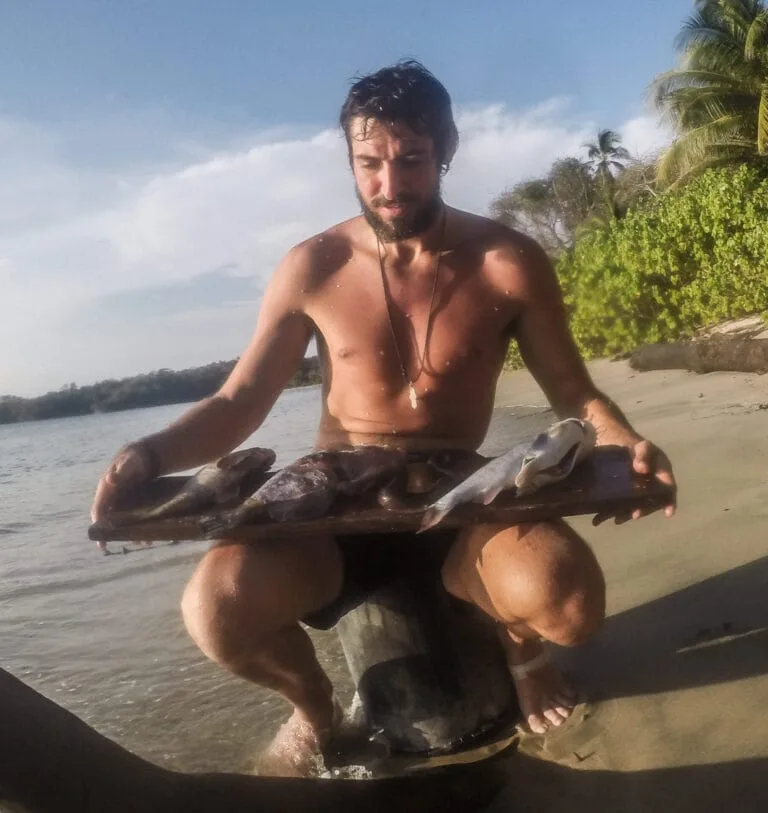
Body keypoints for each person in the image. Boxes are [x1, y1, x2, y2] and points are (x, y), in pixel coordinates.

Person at [91, 61, 675, 776]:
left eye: (411, 160)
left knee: (573, 607)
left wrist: (627, 442)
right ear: (349, 160)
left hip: (461, 496)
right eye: (369, 163)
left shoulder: (508, 262)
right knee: (215, 610)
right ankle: (313, 706)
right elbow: (238, 403)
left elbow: (574, 393)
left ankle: (520, 650)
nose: (390, 186)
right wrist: (144, 456)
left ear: (447, 148)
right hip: (331, 513)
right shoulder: (314, 265)